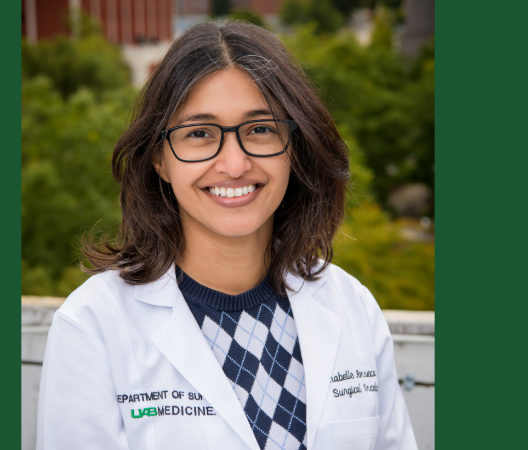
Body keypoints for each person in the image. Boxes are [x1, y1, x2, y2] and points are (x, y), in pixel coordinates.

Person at [36, 21, 417, 450]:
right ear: (160, 159)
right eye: (200, 133)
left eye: (260, 129)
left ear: (294, 146)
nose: (234, 165)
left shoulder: (353, 308)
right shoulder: (93, 326)